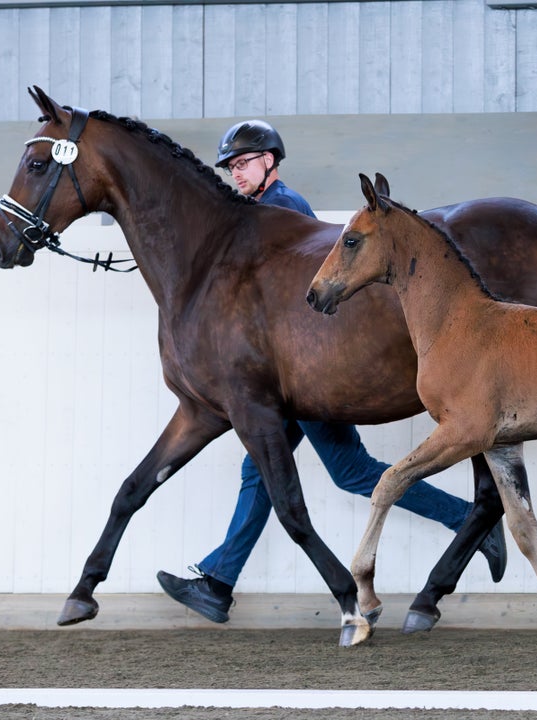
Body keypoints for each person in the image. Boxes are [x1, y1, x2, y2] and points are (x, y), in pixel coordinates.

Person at [156, 120, 506, 623]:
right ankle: (218, 581)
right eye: (231, 168)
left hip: (302, 371)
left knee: (325, 471)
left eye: (244, 163)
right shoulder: (264, 208)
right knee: (310, 471)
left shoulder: (281, 208)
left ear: (269, 161)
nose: (237, 173)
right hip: (291, 370)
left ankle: (217, 581)